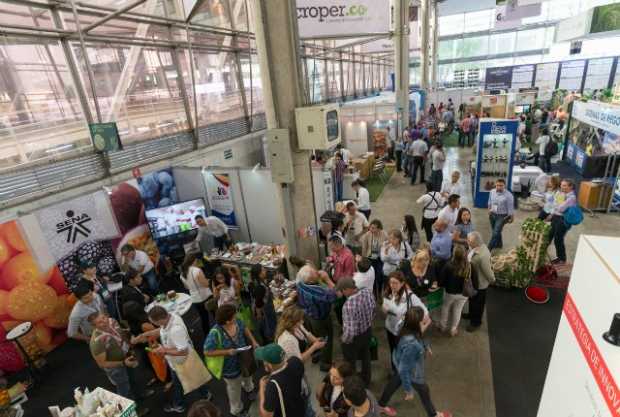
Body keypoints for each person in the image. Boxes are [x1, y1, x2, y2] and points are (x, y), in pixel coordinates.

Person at [136, 306, 213, 414]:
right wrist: (147, 334)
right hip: (180, 361)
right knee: (193, 378)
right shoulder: (171, 318)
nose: (153, 324)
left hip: (181, 361)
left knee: (179, 383)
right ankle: (205, 394)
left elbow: (183, 351)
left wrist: (164, 351)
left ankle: (179, 404)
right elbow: (162, 330)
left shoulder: (175, 330)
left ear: (159, 320)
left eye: (154, 322)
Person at [378, 308, 451, 417]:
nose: (425, 318)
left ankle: (380, 405)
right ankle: (433, 414)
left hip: (398, 358)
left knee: (394, 381)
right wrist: (408, 390)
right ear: (416, 323)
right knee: (424, 390)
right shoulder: (412, 344)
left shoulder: (403, 324)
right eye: (423, 318)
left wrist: (425, 345)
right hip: (412, 371)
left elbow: (418, 335)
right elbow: (404, 369)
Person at [88, 312, 152, 415]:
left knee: (134, 378)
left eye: (104, 318)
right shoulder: (96, 342)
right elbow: (102, 363)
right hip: (116, 369)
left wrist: (131, 345)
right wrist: (123, 363)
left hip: (127, 356)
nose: (104, 322)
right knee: (124, 390)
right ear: (94, 326)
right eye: (100, 322)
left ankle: (140, 394)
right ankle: (133, 411)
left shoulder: (112, 321)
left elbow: (122, 334)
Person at [204, 304, 259, 417]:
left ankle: (249, 388)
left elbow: (245, 328)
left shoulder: (237, 321)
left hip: (244, 358)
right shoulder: (215, 333)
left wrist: (253, 341)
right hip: (229, 366)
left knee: (248, 374)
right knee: (234, 389)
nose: (236, 317)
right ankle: (237, 409)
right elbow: (207, 351)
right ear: (227, 321)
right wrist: (227, 352)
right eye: (234, 316)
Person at [382, 272, 427, 368]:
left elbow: (425, 313)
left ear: (402, 283)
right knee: (393, 351)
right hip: (390, 329)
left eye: (395, 283)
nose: (392, 285)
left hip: (404, 332)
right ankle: (395, 371)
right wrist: (385, 310)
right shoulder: (388, 292)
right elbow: (385, 306)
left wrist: (418, 329)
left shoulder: (410, 297)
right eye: (390, 282)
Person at [296, 265, 337, 372]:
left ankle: (315, 355)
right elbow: (335, 295)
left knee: (313, 336)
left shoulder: (300, 283)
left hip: (307, 315)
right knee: (326, 340)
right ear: (310, 279)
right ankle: (325, 364)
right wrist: (327, 279)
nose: (316, 271)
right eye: (314, 272)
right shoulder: (317, 291)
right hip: (320, 318)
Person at [337, 278, 375, 386]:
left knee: (350, 362)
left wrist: (344, 340)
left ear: (348, 289)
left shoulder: (348, 305)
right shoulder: (367, 292)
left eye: (343, 290)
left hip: (354, 338)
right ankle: (366, 380)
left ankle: (353, 385)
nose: (342, 293)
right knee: (366, 356)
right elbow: (373, 309)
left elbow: (350, 331)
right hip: (367, 331)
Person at [257, 344, 307, 417]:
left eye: (264, 361)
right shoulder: (295, 361)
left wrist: (261, 389)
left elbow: (266, 414)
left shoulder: (272, 386)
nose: (263, 362)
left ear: (269, 365)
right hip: (300, 408)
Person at [439, 246, 474, 336]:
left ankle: (442, 326)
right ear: (464, 254)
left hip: (450, 293)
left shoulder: (448, 265)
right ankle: (453, 329)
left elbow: (442, 280)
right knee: (458, 310)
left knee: (446, 307)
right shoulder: (468, 265)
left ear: (453, 254)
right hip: (463, 294)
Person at [466, 232, 495, 332]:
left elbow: (488, 272)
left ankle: (476, 322)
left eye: (469, 241)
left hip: (480, 284)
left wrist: (492, 280)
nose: (467, 242)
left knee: (478, 304)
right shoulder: (474, 248)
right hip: (472, 281)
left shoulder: (483, 256)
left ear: (476, 242)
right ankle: (470, 314)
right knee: (472, 299)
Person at [179, 252, 212, 334]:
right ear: (194, 260)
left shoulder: (182, 273)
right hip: (205, 296)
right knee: (215, 314)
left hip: (195, 299)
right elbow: (206, 284)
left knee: (203, 318)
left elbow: (187, 287)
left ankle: (207, 334)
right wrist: (209, 280)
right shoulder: (197, 270)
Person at [547, 179, 577, 264]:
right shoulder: (562, 194)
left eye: (564, 185)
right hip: (556, 217)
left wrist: (557, 202)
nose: (561, 187)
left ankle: (562, 259)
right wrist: (553, 212)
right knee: (549, 235)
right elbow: (553, 203)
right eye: (561, 185)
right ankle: (557, 256)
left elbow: (561, 208)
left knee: (558, 239)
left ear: (570, 187)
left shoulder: (571, 197)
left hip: (563, 220)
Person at [249, 264, 277, 344]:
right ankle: (271, 341)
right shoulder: (260, 287)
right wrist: (259, 314)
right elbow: (258, 303)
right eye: (263, 270)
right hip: (264, 310)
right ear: (259, 274)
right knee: (268, 326)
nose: (265, 271)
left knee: (263, 326)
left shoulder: (253, 282)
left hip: (256, 307)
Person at [360, 219, 388, 298]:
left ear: (379, 228)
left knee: (380, 276)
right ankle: (375, 294)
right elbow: (364, 248)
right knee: (372, 277)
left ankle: (379, 292)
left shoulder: (384, 234)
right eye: (371, 227)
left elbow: (387, 246)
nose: (371, 229)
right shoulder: (367, 235)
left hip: (380, 258)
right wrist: (363, 259)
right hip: (370, 258)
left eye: (373, 228)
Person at [487, 179, 514, 250]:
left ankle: (488, 249)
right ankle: (499, 244)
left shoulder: (509, 195)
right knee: (496, 231)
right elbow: (489, 202)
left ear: (504, 186)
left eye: (501, 185)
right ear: (495, 185)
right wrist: (489, 210)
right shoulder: (492, 192)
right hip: (492, 214)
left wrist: (511, 218)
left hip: (502, 216)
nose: (499, 187)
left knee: (495, 233)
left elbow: (510, 208)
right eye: (497, 185)